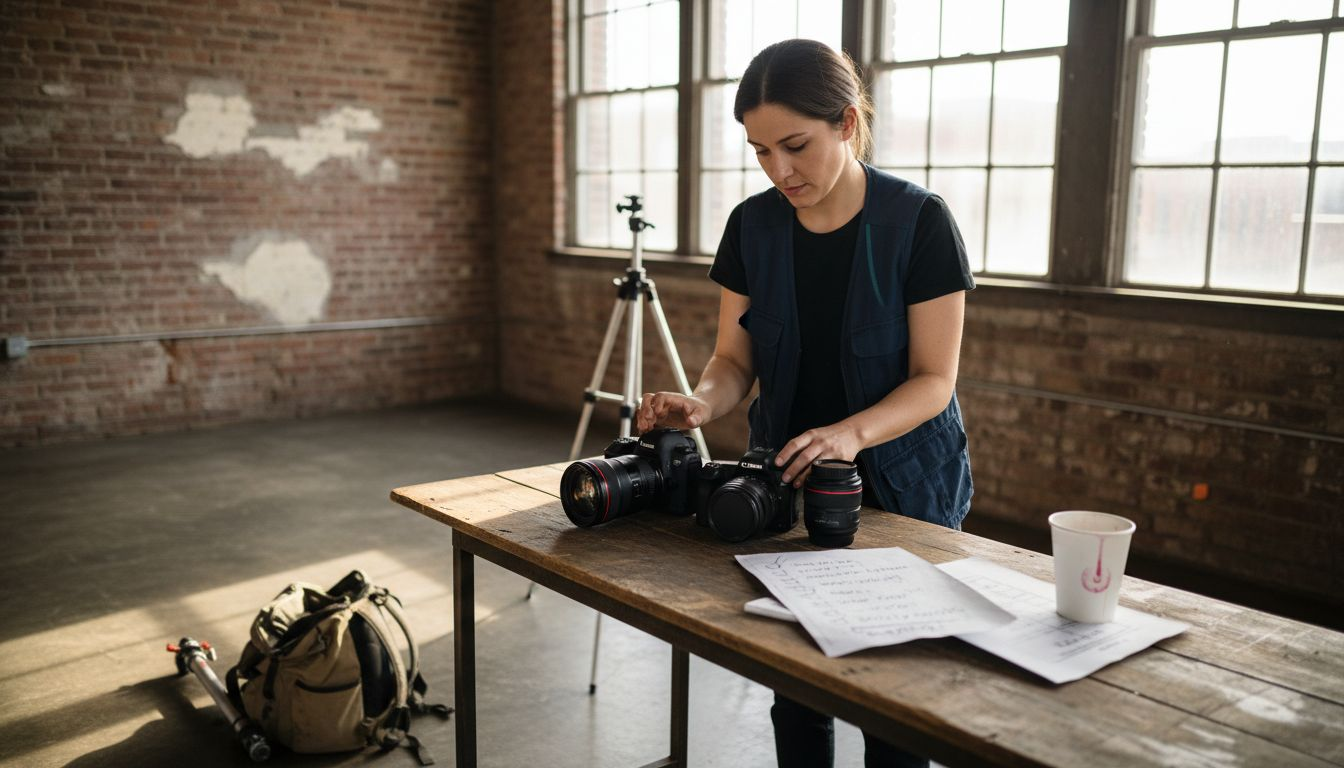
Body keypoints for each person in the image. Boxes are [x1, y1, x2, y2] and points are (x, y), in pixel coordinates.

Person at [634, 38, 975, 768]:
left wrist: (849, 433)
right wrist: (699, 403)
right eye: (759, 151)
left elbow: (933, 380)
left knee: (897, 699)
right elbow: (734, 360)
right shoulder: (752, 227)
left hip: (906, 486)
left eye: (795, 145)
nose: (779, 171)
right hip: (788, 481)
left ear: (847, 123)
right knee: (798, 683)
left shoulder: (920, 223)